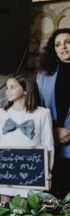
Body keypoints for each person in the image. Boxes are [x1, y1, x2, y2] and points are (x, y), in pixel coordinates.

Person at [0, 74, 54, 202]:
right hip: (6, 170)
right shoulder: (1, 113)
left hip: (31, 171)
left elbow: (48, 145)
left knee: (25, 213)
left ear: (25, 90)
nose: (8, 91)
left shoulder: (42, 113)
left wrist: (48, 170)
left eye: (12, 87)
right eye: (7, 88)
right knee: (4, 209)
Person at [37, 28, 70, 198]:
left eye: (68, 42)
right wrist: (55, 129)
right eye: (58, 44)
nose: (63, 47)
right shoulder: (44, 75)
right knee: (53, 199)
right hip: (52, 143)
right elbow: (38, 108)